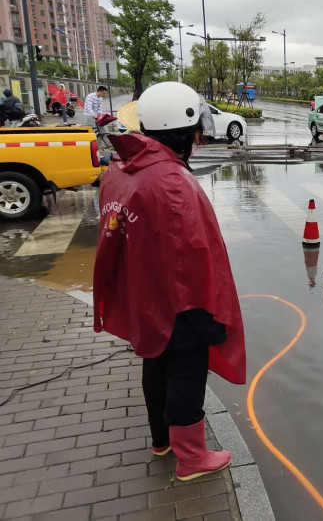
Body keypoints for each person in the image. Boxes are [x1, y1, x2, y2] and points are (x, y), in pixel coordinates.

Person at [92, 81, 246, 481]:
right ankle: (192, 457)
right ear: (185, 131)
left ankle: (161, 439)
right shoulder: (170, 181)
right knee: (186, 370)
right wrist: (209, 312)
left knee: (155, 360)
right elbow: (193, 252)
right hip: (180, 296)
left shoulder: (124, 167)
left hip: (145, 291)